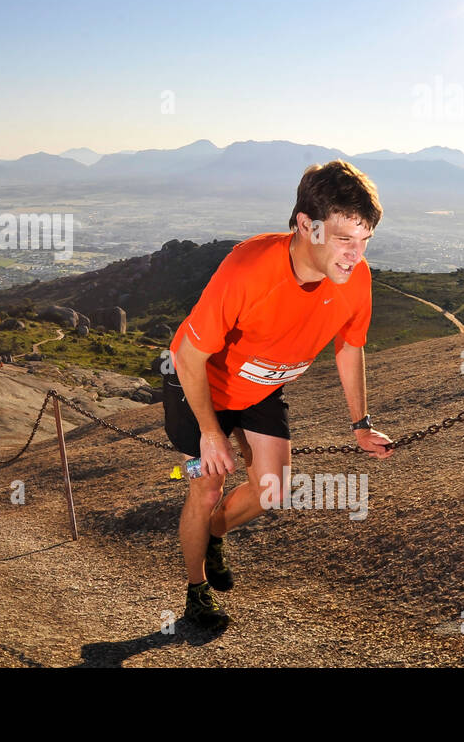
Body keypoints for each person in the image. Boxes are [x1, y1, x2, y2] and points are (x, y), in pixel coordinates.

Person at [164, 159, 394, 631]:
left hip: (261, 388)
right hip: (199, 385)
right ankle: (196, 589)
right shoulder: (248, 269)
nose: (355, 255)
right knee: (207, 486)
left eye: (364, 240)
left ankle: (213, 535)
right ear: (306, 226)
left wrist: (361, 424)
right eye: (344, 239)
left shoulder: (356, 278)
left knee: (272, 490)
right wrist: (211, 434)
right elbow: (187, 356)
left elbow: (350, 347)